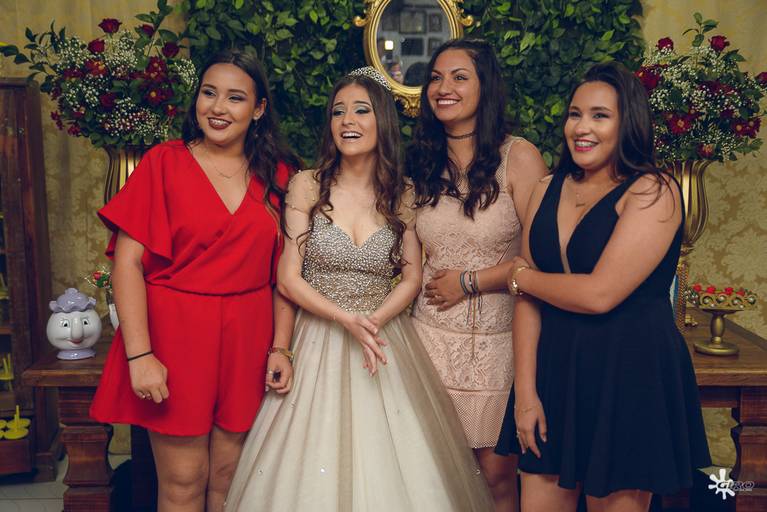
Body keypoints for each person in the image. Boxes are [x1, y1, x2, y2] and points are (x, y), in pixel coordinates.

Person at [225, 67, 494, 511]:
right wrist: (344, 320)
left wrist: (373, 322)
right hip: (317, 337)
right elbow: (288, 278)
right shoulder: (307, 185)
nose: (347, 120)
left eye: (361, 110)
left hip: (383, 337)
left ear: (381, 120)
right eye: (338, 112)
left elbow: (412, 277)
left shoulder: (402, 192)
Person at [89, 48, 300, 511]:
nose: (218, 107)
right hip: (176, 335)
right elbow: (127, 264)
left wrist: (281, 348)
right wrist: (140, 355)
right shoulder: (163, 163)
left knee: (230, 480)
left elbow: (285, 275)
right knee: (184, 481)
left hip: (248, 336)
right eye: (209, 93)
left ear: (258, 109)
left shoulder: (280, 175)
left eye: (235, 98)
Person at [496, 61, 711, 512]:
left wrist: (521, 277)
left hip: (628, 373)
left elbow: (599, 295)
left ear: (627, 123)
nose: (582, 127)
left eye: (600, 115)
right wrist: (527, 394)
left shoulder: (653, 191)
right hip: (554, 371)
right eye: (575, 114)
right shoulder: (546, 187)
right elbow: (527, 303)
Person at [406, 38, 547, 511]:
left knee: (495, 478)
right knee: (429, 476)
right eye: (435, 78)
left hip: (497, 347)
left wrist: (469, 281)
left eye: (459, 77)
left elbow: (542, 262)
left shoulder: (518, 157)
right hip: (427, 342)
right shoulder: (420, 160)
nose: (443, 87)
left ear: (485, 87)